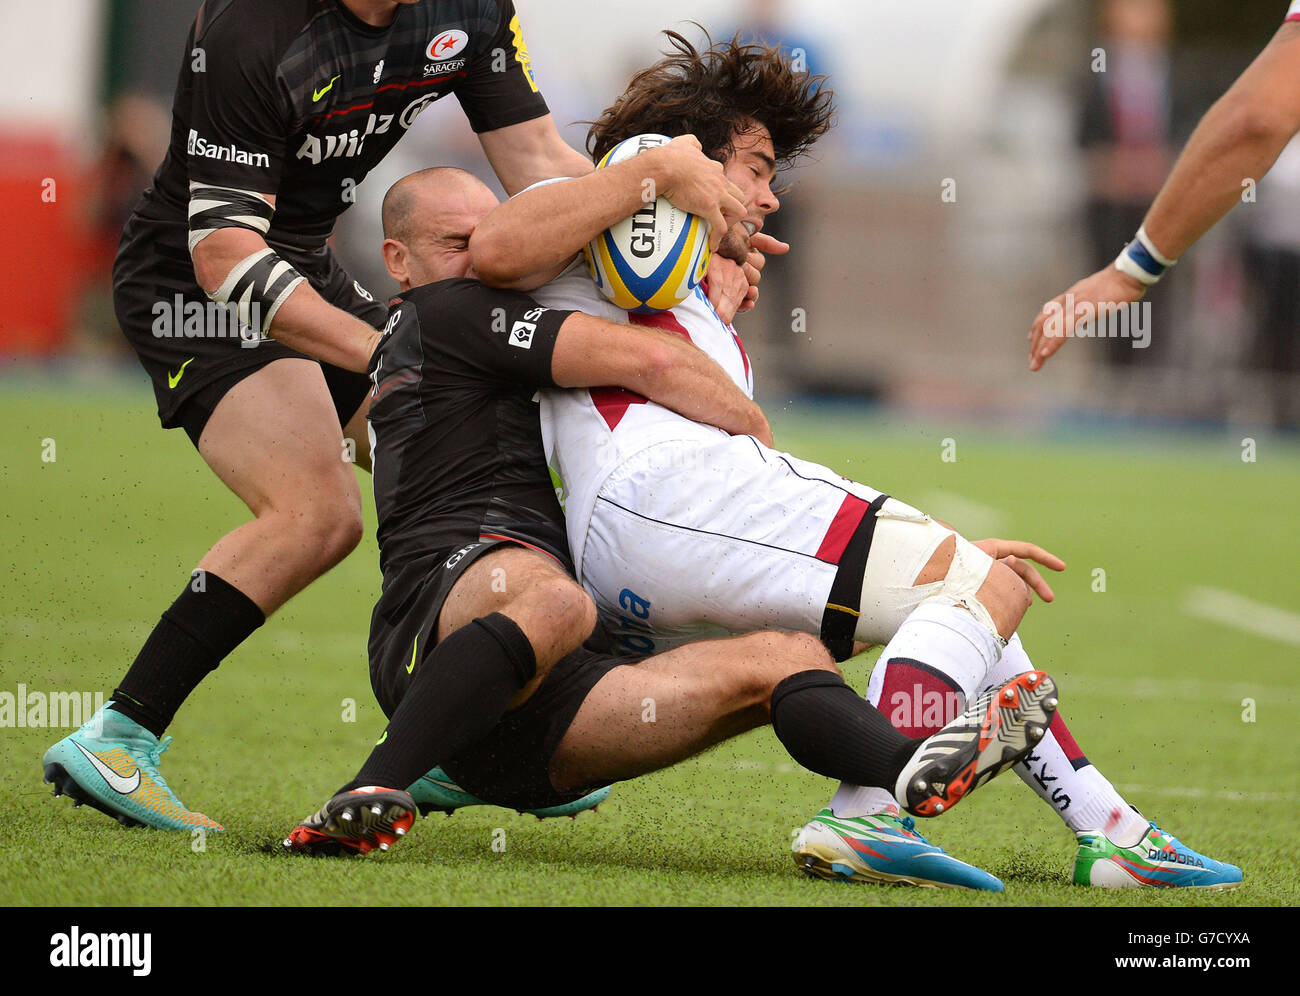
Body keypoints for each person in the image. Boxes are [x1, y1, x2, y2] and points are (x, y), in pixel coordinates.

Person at [466, 31, 1242, 891]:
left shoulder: (689, 273)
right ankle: (868, 815)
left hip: (644, 540)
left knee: (980, 597)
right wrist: (652, 174)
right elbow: (498, 251)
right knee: (975, 583)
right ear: (694, 155)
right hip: (662, 500)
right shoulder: (623, 196)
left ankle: (1111, 830)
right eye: (756, 168)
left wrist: (714, 301)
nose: (767, 197)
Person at [42, 0, 748, 833]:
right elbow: (224, 251)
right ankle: (119, 734)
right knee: (317, 513)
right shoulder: (251, 28)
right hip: (195, 285)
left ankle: (465, 739)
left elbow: (537, 163)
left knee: (495, 462)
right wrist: (398, 347)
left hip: (310, 263)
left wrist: (683, 237)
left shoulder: (473, 9)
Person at [281, 166, 1060, 864]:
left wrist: (914, 577)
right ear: (397, 262)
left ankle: (907, 773)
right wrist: (755, 433)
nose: (483, 260)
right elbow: (646, 361)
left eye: (487, 237)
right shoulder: (444, 312)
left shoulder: (468, 344)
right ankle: (371, 787)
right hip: (437, 615)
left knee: (786, 658)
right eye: (459, 242)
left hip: (539, 723)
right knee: (557, 600)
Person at [1029, 4, 1300, 370]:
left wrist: (1131, 271)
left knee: (1158, 332)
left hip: (1154, 225)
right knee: (1117, 343)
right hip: (1111, 220)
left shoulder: (1175, 77)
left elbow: (1257, 120)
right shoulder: (1091, 78)